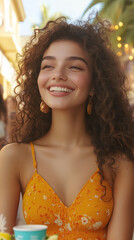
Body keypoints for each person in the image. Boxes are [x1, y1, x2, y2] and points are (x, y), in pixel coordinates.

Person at [0, 16, 134, 240]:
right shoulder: (13, 158)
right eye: (48, 65)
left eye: (74, 66)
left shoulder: (119, 164)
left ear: (94, 85)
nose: (58, 74)